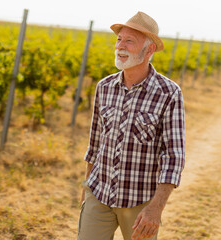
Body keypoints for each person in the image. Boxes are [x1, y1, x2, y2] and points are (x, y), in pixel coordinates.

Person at [77, 11, 185, 240]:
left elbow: (173, 156)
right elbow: (95, 143)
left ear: (149, 50)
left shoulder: (169, 93)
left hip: (140, 202)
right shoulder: (104, 87)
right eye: (119, 40)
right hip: (99, 193)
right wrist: (87, 186)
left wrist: (156, 208)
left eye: (129, 41)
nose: (120, 46)